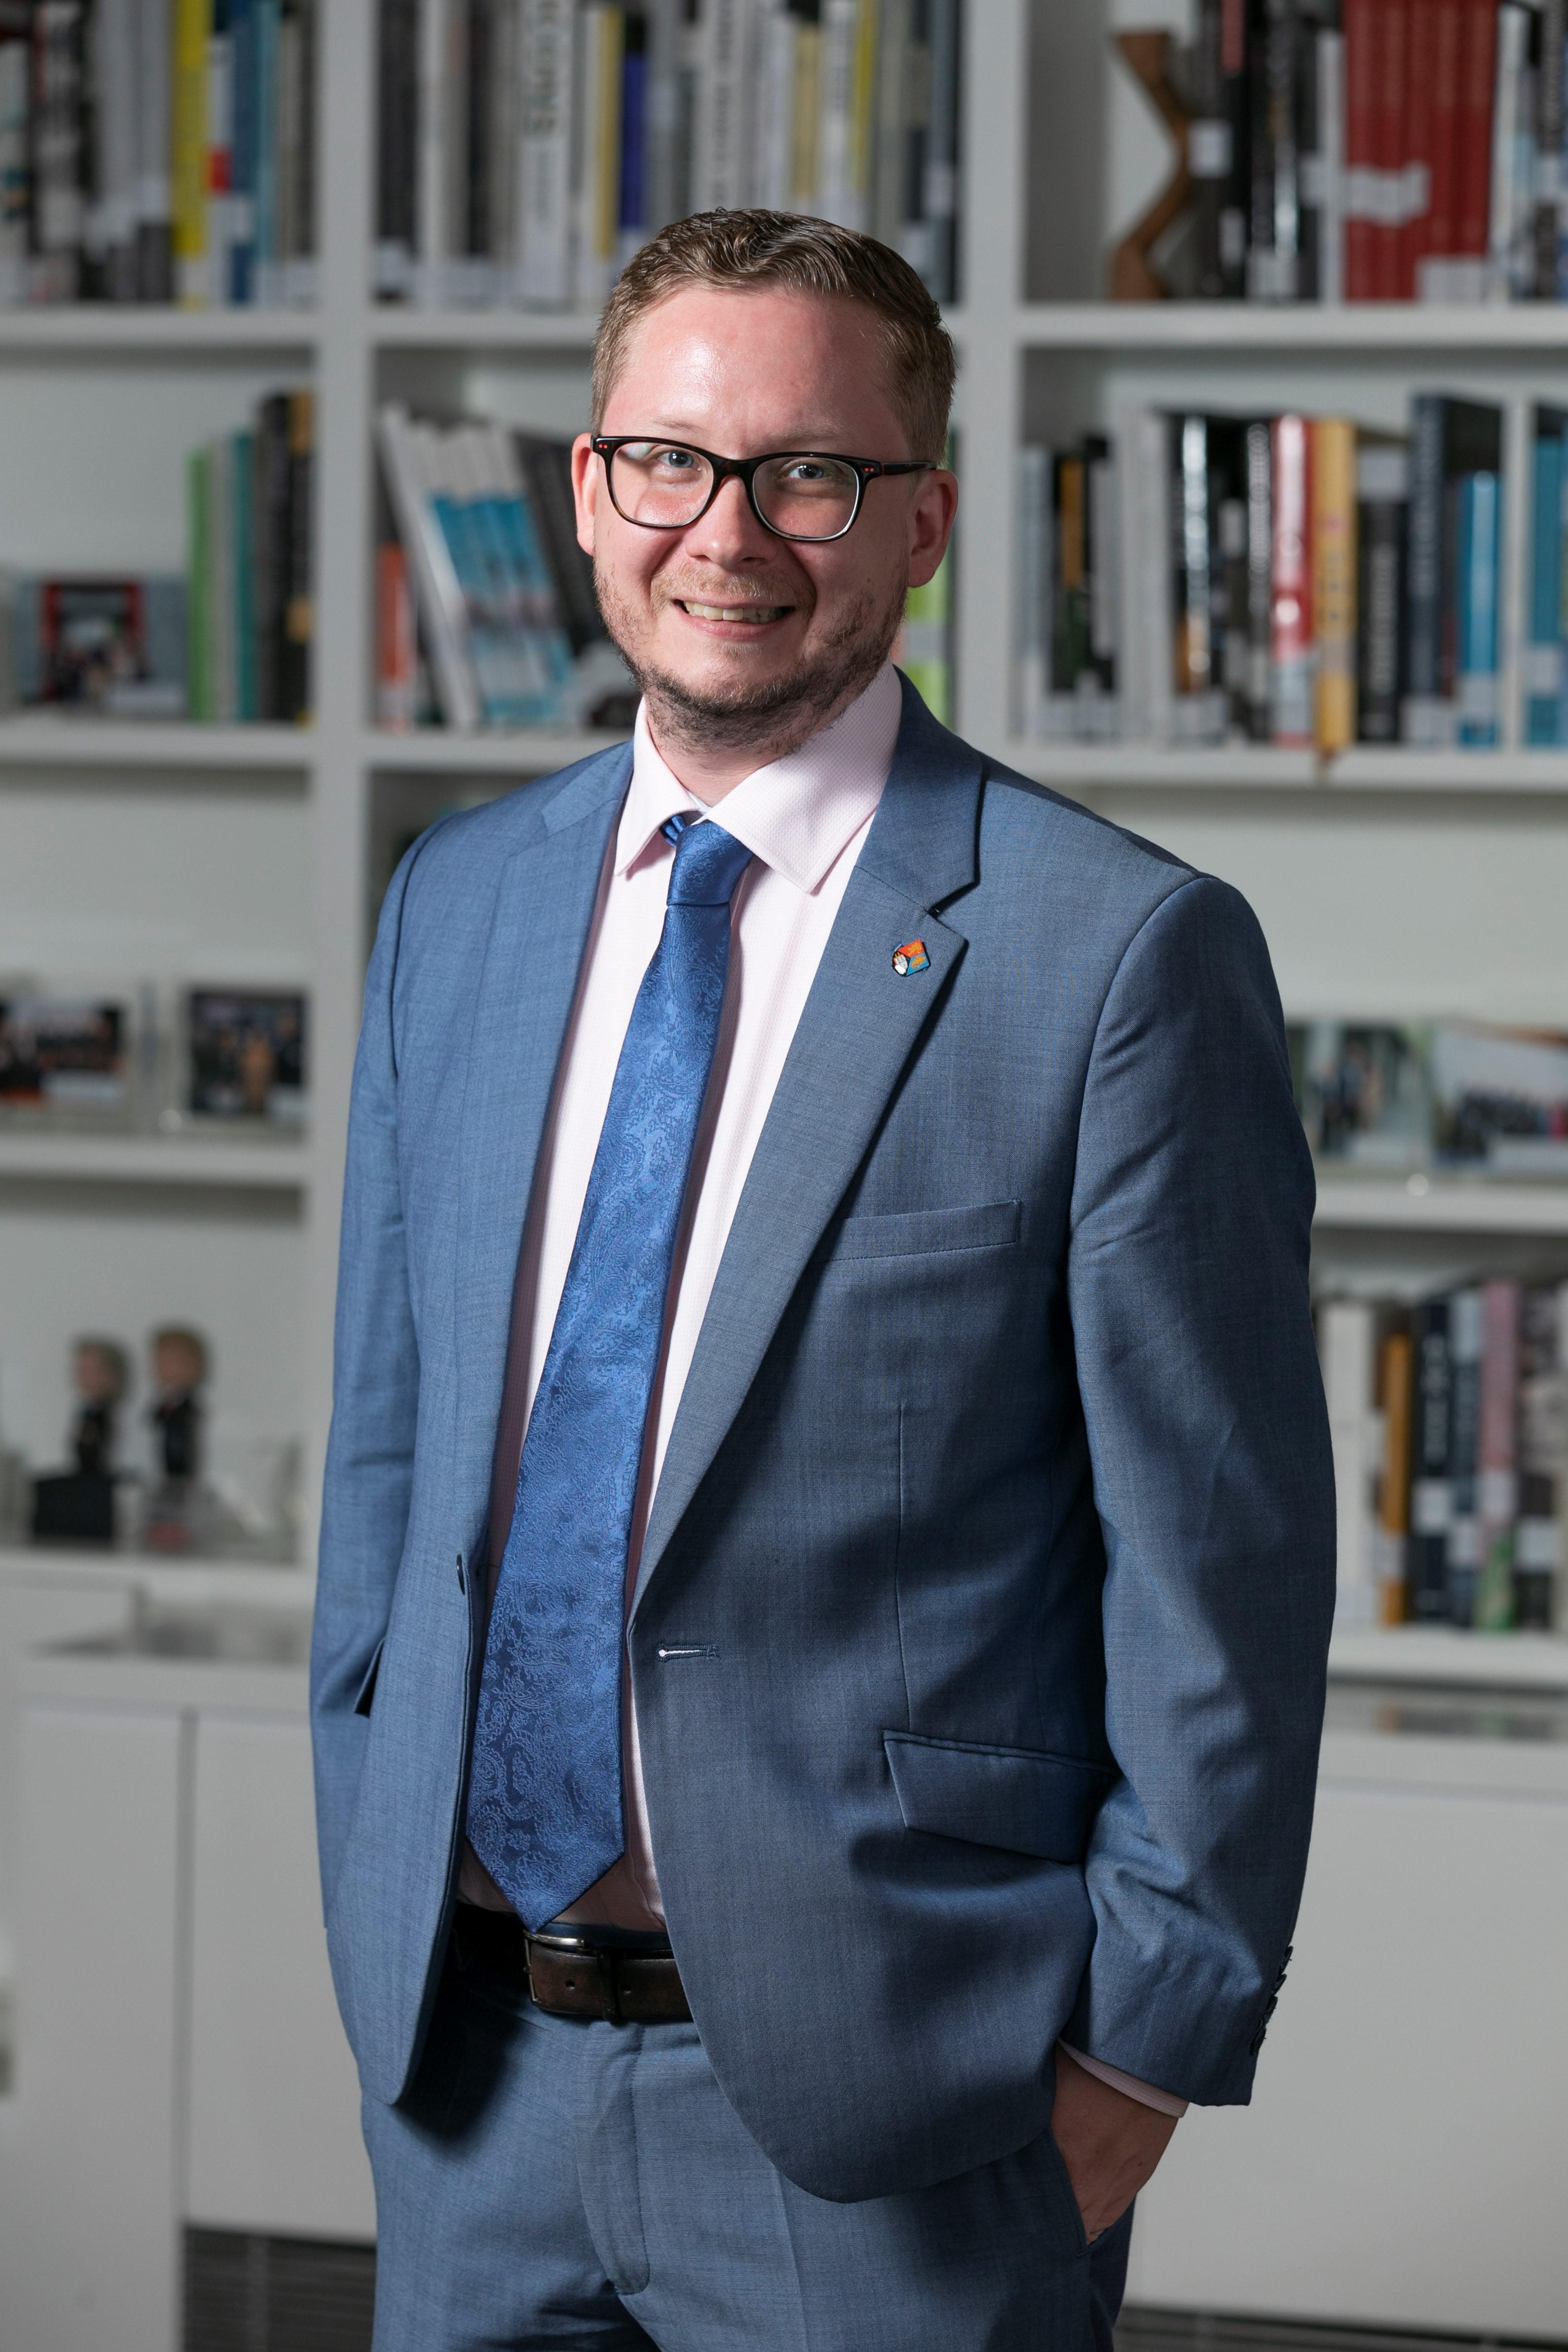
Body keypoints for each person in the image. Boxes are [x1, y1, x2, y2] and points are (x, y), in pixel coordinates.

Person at [312, 210, 1335, 2352]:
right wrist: (367, 1861)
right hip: (471, 2074)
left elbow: (1220, 1569)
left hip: (897, 2117)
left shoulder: (1114, 956)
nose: (728, 533)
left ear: (923, 521)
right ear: (589, 489)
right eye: (668, 462)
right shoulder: (456, 901)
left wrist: (1143, 2048)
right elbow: (391, 1469)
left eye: (810, 473)